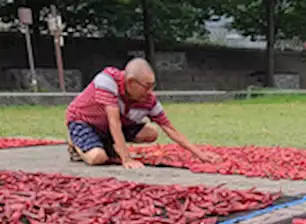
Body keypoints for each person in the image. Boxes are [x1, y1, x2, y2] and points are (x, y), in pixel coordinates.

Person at [65, 58, 218, 169]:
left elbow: (169, 128)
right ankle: (74, 143)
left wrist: (199, 154)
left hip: (108, 128)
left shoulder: (148, 100)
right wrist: (126, 158)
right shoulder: (108, 81)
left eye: (153, 86)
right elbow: (114, 121)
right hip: (84, 121)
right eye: (146, 86)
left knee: (151, 132)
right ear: (131, 82)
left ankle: (107, 144)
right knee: (98, 158)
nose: (150, 91)